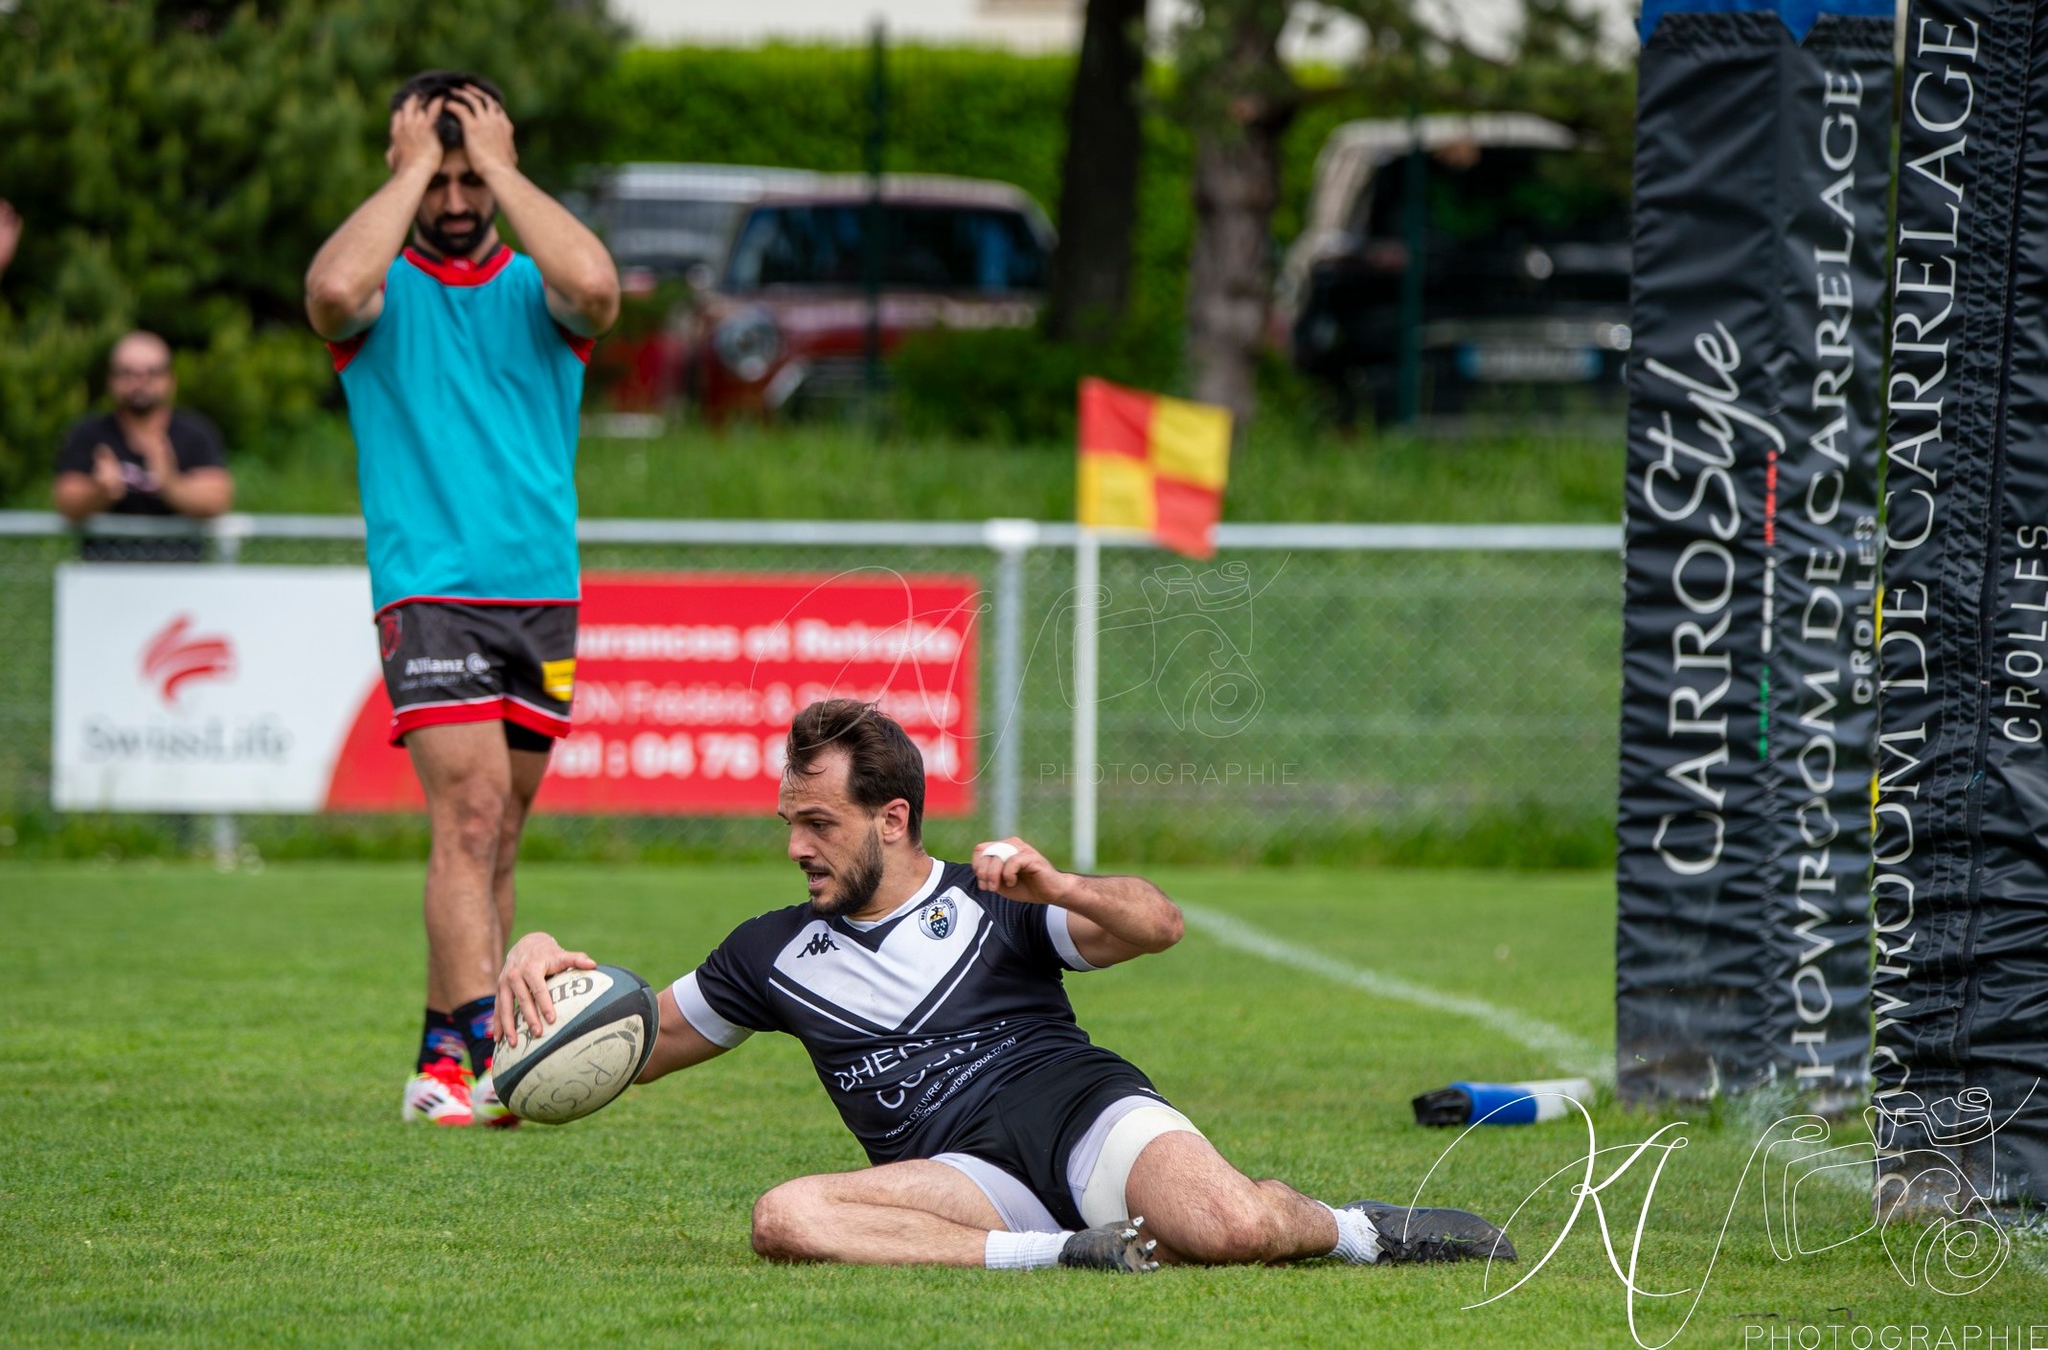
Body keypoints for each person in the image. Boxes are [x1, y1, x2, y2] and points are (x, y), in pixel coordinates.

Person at [499, 699, 1516, 1272]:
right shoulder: (768, 953)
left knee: (1233, 1230)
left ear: (891, 818)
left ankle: (1356, 1229)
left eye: (819, 821)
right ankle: (1061, 1253)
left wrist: (1062, 883)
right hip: (958, 1176)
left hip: (1077, 1109)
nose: (797, 844)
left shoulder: (993, 896)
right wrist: (543, 948)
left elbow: (1157, 924)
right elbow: (635, 1043)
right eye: (788, 820)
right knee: (787, 1216)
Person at [303, 71, 620, 1128]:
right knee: (471, 811)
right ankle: (485, 1055)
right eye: (434, 179)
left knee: (502, 833)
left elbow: (601, 288)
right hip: (429, 590)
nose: (453, 199)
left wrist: (497, 161)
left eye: (465, 178)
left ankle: (443, 1057)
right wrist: (406, 170)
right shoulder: (381, 291)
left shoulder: (538, 288)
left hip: (541, 591)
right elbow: (330, 294)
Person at [53, 331, 234, 561]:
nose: (139, 382)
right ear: (111, 380)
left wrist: (170, 483)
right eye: (127, 373)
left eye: (151, 373)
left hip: (180, 579)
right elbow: (66, 503)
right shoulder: (88, 433)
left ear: (170, 379)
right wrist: (100, 492)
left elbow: (217, 500)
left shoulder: (195, 433)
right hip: (104, 578)